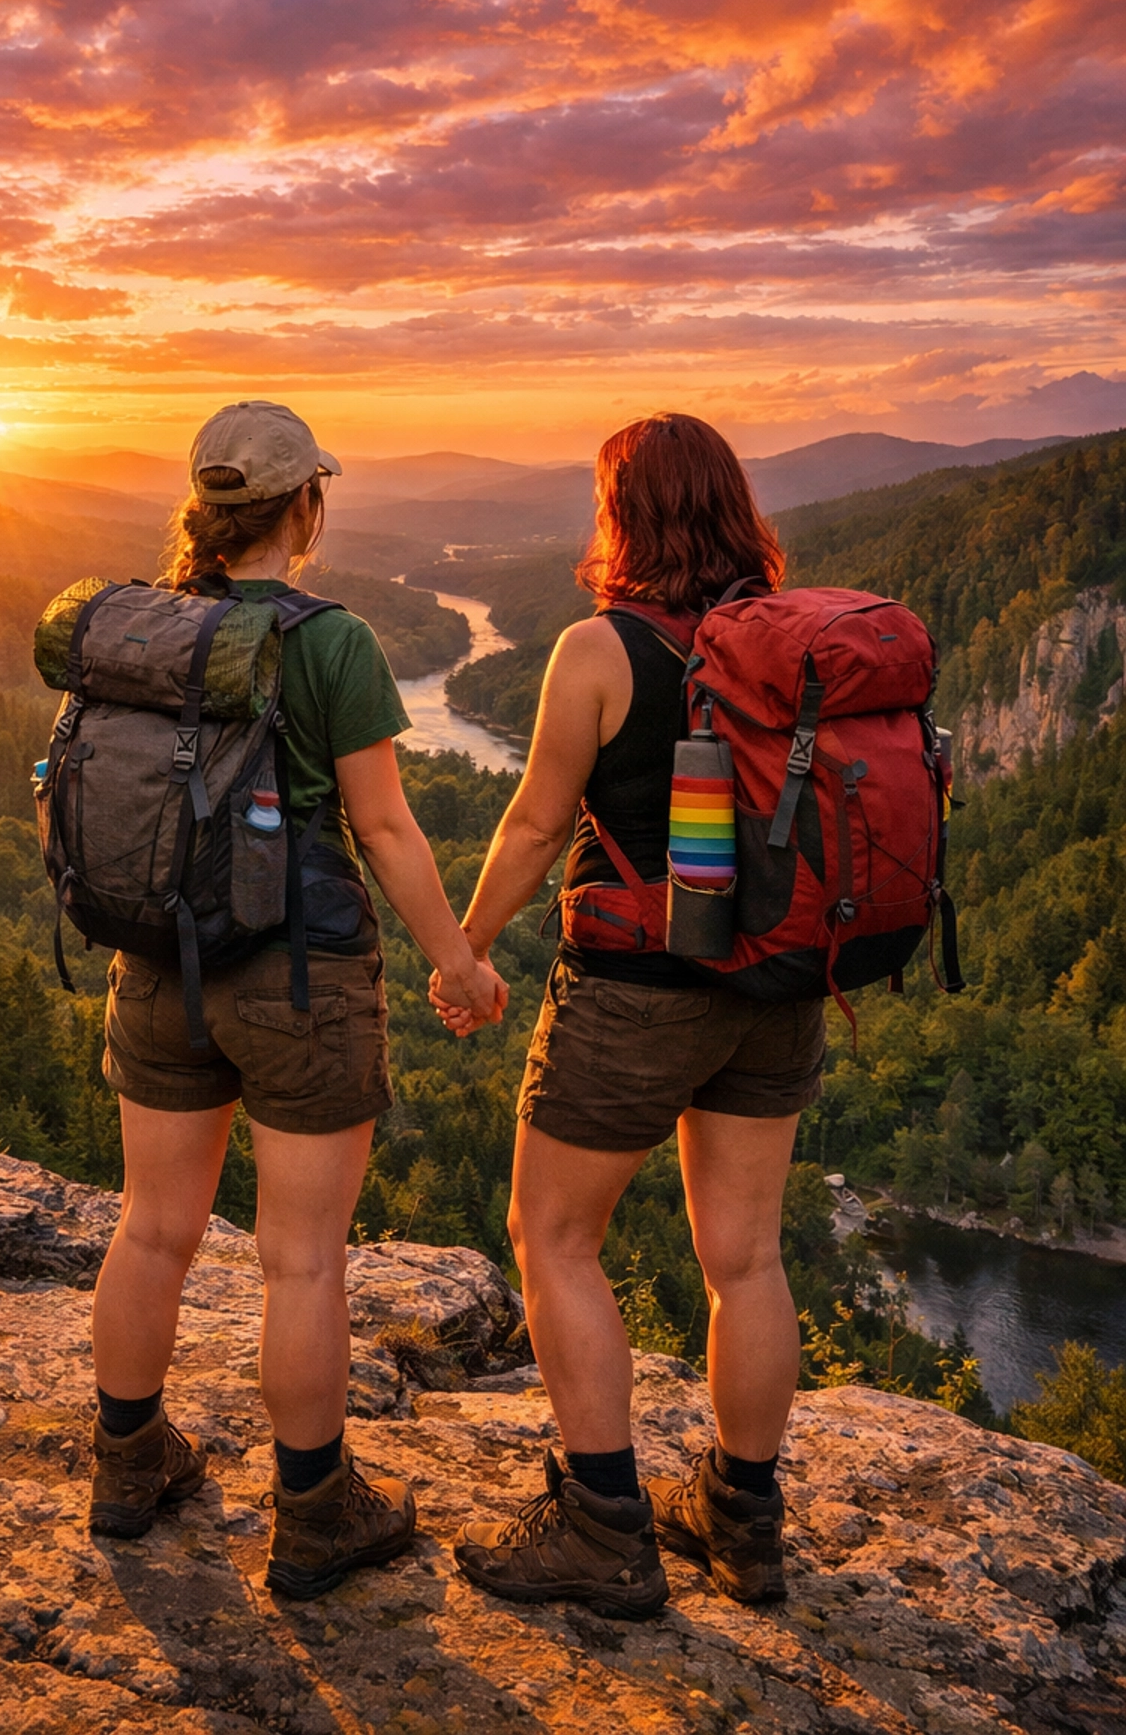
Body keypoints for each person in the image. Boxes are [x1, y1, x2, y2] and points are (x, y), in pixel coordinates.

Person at [89, 398, 507, 1597]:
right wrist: (459, 965)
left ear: (209, 511)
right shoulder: (331, 642)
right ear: (306, 505)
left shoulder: (151, 629)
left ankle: (128, 1467)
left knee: (151, 1228)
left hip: (163, 966)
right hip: (303, 979)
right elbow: (385, 826)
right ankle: (315, 1516)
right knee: (303, 1262)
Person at [436, 413, 812, 1617]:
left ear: (623, 513)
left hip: (640, 991)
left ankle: (605, 1528)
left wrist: (468, 948)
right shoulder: (796, 644)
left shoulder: (602, 648)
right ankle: (744, 1525)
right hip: (779, 987)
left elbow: (541, 824)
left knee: (553, 1239)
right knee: (745, 1257)